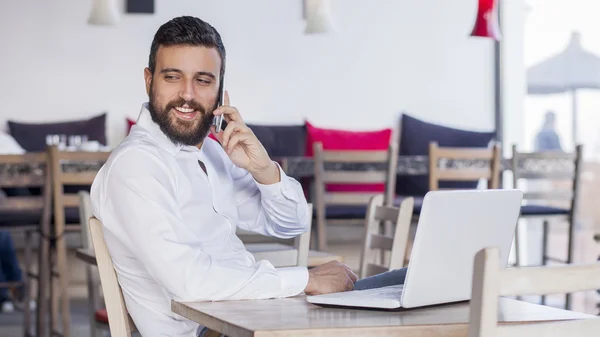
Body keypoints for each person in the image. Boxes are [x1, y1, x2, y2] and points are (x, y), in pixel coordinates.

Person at [91, 16, 406, 337]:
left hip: (258, 312)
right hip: (214, 329)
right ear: (149, 81)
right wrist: (306, 279)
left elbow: (291, 223)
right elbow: (189, 282)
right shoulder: (136, 165)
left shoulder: (212, 154)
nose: (187, 94)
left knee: (409, 283)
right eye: (172, 77)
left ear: (220, 92)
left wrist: (263, 169)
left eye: (202, 80)